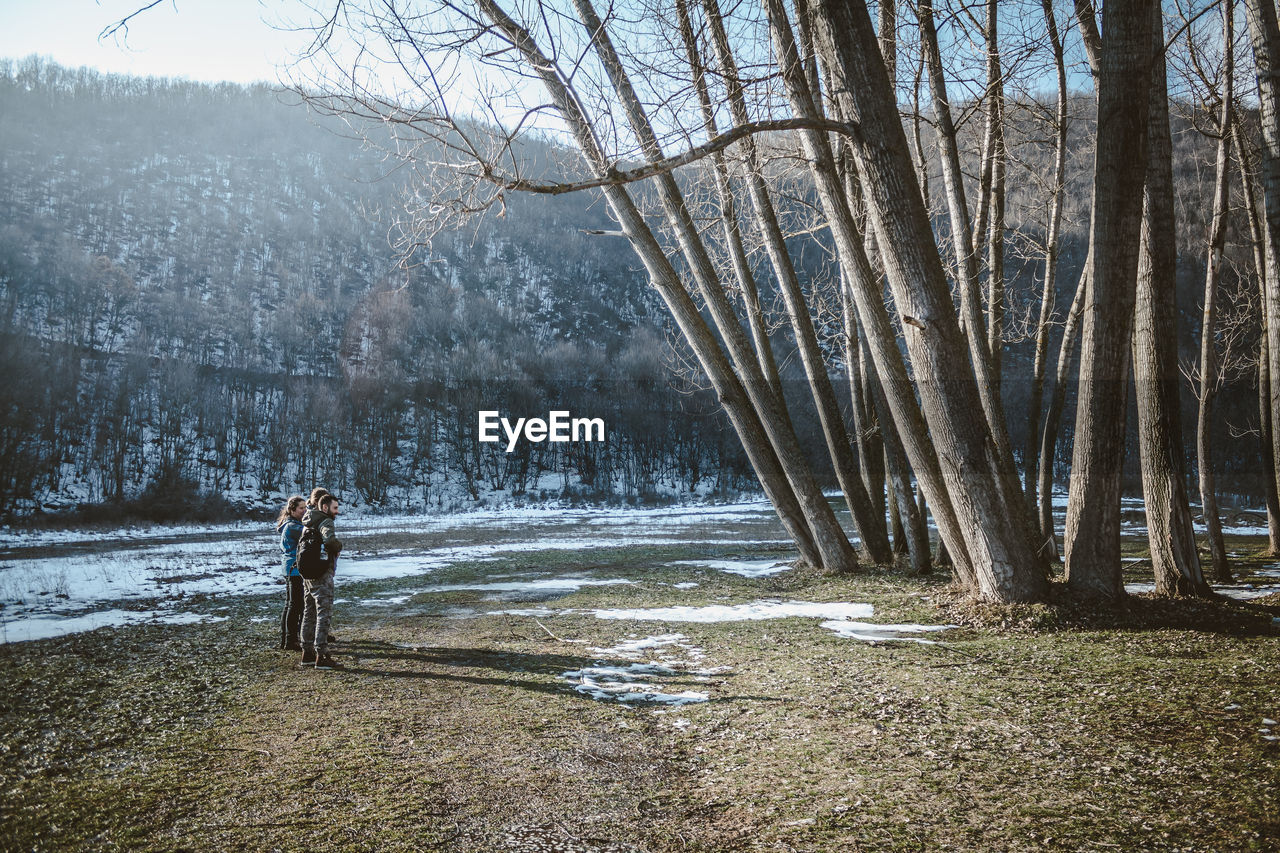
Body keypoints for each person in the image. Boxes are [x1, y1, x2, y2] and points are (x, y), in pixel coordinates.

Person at [298, 492, 344, 670]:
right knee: (323, 614)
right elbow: (330, 540)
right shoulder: (326, 521)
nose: (337, 512)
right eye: (335, 508)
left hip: (307, 575)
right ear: (325, 507)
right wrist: (338, 547)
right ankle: (322, 655)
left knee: (309, 613)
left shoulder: (307, 522)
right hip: (321, 574)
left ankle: (307, 653)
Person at [275, 495, 307, 651]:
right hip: (293, 569)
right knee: (295, 605)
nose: (304, 511)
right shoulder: (293, 527)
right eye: (301, 508)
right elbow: (309, 533)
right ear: (292, 509)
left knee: (291, 605)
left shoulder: (290, 524)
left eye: (305, 507)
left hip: (290, 568)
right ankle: (290, 640)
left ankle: (287, 639)